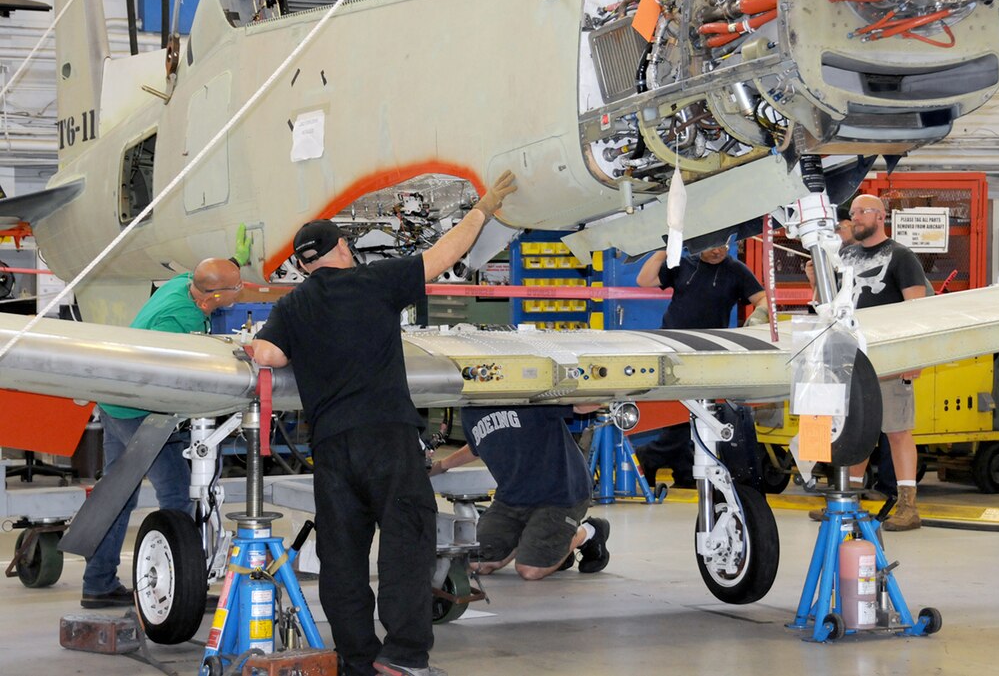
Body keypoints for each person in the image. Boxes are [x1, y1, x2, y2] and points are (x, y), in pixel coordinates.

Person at [250, 170, 517, 676]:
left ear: (305, 265)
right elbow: (443, 256)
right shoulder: (374, 281)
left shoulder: (293, 304)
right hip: (388, 439)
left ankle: (357, 659)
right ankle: (403, 657)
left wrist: (254, 348)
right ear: (344, 249)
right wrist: (481, 209)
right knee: (406, 545)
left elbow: (268, 354)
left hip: (331, 447)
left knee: (343, 558)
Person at [82, 258, 244, 608]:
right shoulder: (179, 321)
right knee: (177, 494)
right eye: (236, 289)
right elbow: (181, 382)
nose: (241, 291)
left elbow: (200, 272)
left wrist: (235, 262)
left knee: (118, 492)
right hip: (138, 411)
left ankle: (97, 583)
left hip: (113, 398)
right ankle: (182, 587)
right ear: (208, 300)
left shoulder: (184, 282)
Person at [634, 245, 768, 488]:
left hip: (706, 351)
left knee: (695, 410)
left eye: (723, 246)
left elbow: (762, 297)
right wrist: (666, 246)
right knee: (681, 409)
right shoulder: (683, 265)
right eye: (711, 246)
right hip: (673, 346)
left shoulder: (736, 270)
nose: (718, 251)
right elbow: (644, 279)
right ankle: (670, 462)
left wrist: (760, 314)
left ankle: (663, 460)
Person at [430, 404, 610, 580]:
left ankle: (589, 531)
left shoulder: (526, 394)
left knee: (530, 570)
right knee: (477, 563)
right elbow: (476, 447)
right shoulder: (470, 409)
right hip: (511, 498)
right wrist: (441, 465)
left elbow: (584, 406)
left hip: (560, 494)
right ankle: (547, 544)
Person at [839, 194, 928, 531]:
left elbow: (917, 309)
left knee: (897, 431)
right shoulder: (846, 255)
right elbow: (834, 303)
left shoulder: (901, 257)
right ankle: (848, 501)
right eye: (853, 213)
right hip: (854, 358)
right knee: (858, 431)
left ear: (880, 216)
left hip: (891, 359)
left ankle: (908, 506)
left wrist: (916, 355)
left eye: (861, 212)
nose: (855, 218)